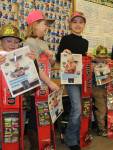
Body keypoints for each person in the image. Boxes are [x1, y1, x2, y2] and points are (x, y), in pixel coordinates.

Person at [24, 10, 59, 149]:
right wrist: (50, 83)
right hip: (36, 87)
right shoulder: (29, 42)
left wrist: (51, 57)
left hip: (45, 87)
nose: (46, 27)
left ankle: (45, 142)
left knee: (44, 114)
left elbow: (51, 64)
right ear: (34, 25)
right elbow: (36, 68)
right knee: (34, 116)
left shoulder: (43, 43)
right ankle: (35, 145)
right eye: (44, 24)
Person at [56, 11, 88, 150]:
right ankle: (71, 140)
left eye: (80, 22)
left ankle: (79, 136)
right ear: (70, 24)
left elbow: (83, 59)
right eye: (74, 22)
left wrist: (89, 57)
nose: (77, 25)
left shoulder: (85, 42)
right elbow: (59, 58)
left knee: (82, 108)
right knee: (77, 108)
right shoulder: (66, 39)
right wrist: (64, 54)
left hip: (84, 79)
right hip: (70, 79)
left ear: (84, 25)